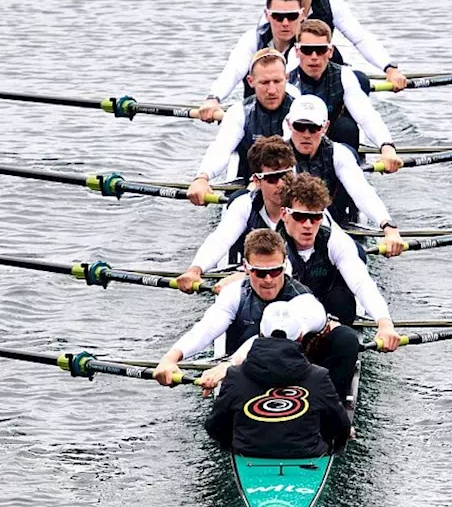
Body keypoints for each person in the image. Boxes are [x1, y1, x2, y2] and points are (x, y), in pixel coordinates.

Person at [276, 173, 401, 400]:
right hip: (285, 324)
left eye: (315, 218)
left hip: (328, 321)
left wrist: (384, 323)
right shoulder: (273, 247)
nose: (307, 225)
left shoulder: (335, 240)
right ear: (285, 214)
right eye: (300, 216)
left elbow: (362, 284)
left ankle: (333, 403)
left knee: (347, 337)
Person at [153, 229, 320, 385]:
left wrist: (229, 364)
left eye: (275, 271)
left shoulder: (303, 299)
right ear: (246, 267)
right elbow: (206, 329)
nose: (268, 279)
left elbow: (270, 341)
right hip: (248, 374)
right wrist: (171, 358)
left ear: (284, 266)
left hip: (293, 376)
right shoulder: (235, 293)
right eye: (260, 272)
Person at [204, 299, 350, 458]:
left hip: (248, 454)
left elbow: (214, 427)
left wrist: (232, 443)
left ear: (260, 334)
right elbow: (341, 427)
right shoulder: (319, 377)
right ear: (300, 336)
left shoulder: (235, 376)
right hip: (307, 454)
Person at [285, 95, 404, 256]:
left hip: (327, 221)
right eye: (300, 126)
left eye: (313, 128)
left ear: (325, 127)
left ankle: (352, 217)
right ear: (289, 125)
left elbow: (362, 192)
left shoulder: (339, 153)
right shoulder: (277, 155)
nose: (306, 134)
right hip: (288, 225)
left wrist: (388, 227)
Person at [176, 136, 296, 293]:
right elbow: (220, 240)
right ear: (257, 181)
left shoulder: (306, 209)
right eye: (272, 178)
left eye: (285, 176)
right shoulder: (245, 204)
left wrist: (241, 278)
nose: (281, 184)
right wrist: (195, 270)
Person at [281, 0, 407, 91]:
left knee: (360, 80)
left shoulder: (331, 3)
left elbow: (360, 39)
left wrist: (390, 69)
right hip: (284, 74)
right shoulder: (273, 7)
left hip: (323, 71)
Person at [186, 48, 297, 203]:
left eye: (277, 81)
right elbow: (221, 148)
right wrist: (202, 178)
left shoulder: (300, 109)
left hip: (292, 182)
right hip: (250, 180)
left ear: (286, 78)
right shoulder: (239, 112)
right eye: (264, 83)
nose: (272, 90)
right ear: (251, 82)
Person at [291, 19, 403, 171]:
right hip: (295, 140)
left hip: (329, 137)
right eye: (307, 50)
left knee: (347, 128)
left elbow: (366, 116)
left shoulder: (343, 75)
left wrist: (387, 147)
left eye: (321, 50)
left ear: (330, 52)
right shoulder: (286, 79)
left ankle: (348, 170)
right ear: (297, 51)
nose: (314, 56)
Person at [197, 0, 306, 122]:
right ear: (267, 15)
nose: (285, 23)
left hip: (301, 121)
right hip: (256, 116)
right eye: (278, 16)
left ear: (302, 15)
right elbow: (233, 71)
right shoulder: (252, 39)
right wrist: (213, 98)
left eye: (292, 16)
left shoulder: (312, 45)